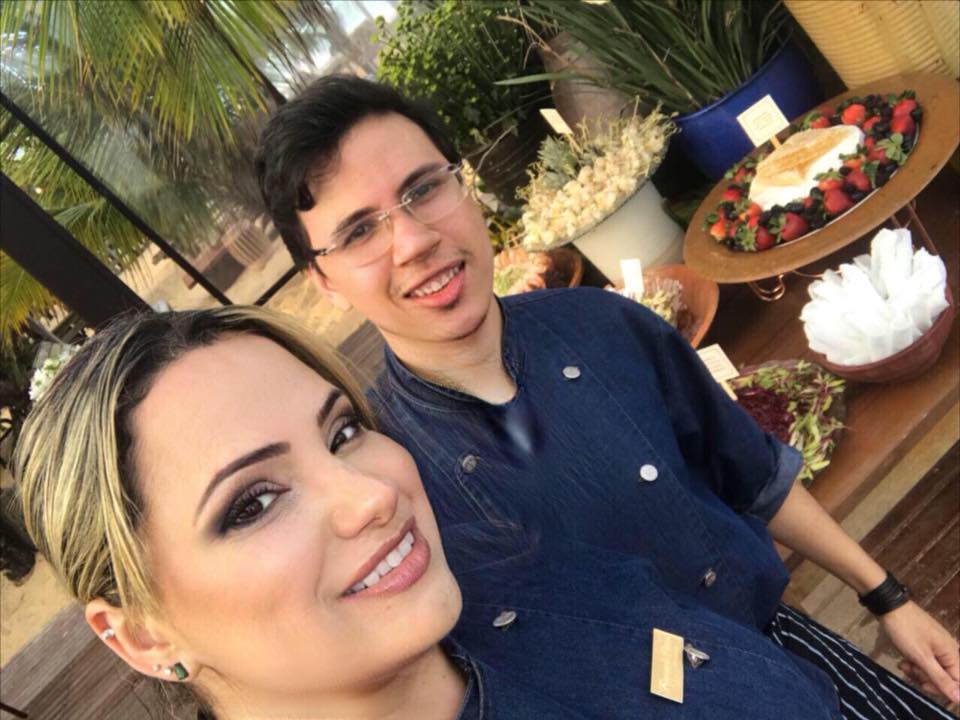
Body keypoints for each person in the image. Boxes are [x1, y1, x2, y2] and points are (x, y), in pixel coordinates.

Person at [254, 74, 960, 719]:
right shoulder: (386, 483)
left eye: (422, 189)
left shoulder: (604, 324)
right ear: (323, 282)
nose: (412, 240)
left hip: (792, 654)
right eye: (359, 231)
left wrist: (888, 598)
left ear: (466, 188)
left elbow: (751, 474)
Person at [13, 306, 851, 719]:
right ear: (142, 635)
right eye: (253, 502)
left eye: (342, 433)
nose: (372, 495)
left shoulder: (533, 575)